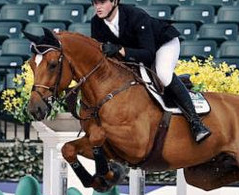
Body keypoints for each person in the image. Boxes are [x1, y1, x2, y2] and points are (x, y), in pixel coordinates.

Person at [89, 0, 211, 143]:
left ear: (115, 1)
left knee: (163, 75)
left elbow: (148, 54)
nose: (98, 7)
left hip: (162, 44)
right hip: (135, 51)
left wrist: (121, 50)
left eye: (102, 2)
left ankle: (196, 123)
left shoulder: (136, 16)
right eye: (95, 3)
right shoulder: (96, 23)